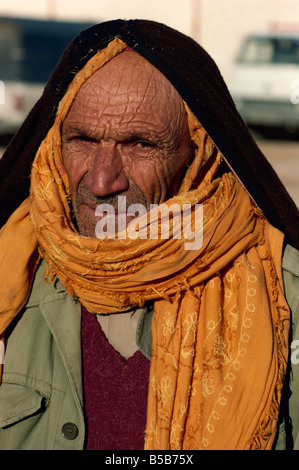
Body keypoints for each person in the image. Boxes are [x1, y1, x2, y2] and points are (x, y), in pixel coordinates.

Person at [0, 19, 298, 451]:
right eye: (81, 139)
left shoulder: (282, 294)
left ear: (198, 152)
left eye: (140, 144)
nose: (102, 181)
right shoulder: (13, 270)